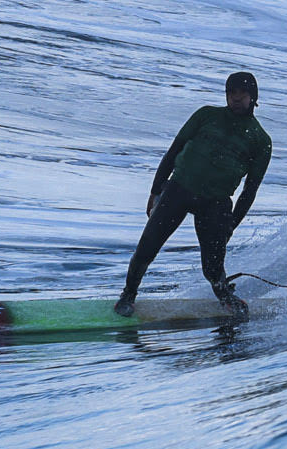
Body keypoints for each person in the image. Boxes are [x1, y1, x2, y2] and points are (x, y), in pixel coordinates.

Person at [114, 71, 272, 319]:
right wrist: (155, 190)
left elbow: (249, 190)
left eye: (242, 94)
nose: (236, 99)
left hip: (216, 203)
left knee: (212, 267)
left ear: (253, 97)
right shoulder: (206, 115)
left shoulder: (261, 141)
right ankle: (128, 295)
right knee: (147, 248)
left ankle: (224, 296)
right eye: (231, 93)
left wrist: (232, 223)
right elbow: (174, 151)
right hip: (178, 190)